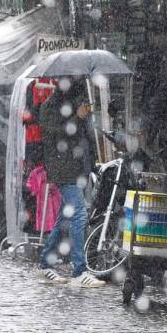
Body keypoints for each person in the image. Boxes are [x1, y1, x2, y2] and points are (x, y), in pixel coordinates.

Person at [36, 78, 103, 287]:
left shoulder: (74, 103)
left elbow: (81, 138)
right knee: (80, 213)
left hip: (76, 167)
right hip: (61, 167)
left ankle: (45, 263)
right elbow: (56, 135)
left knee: (64, 218)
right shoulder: (49, 107)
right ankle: (79, 270)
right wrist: (77, 117)